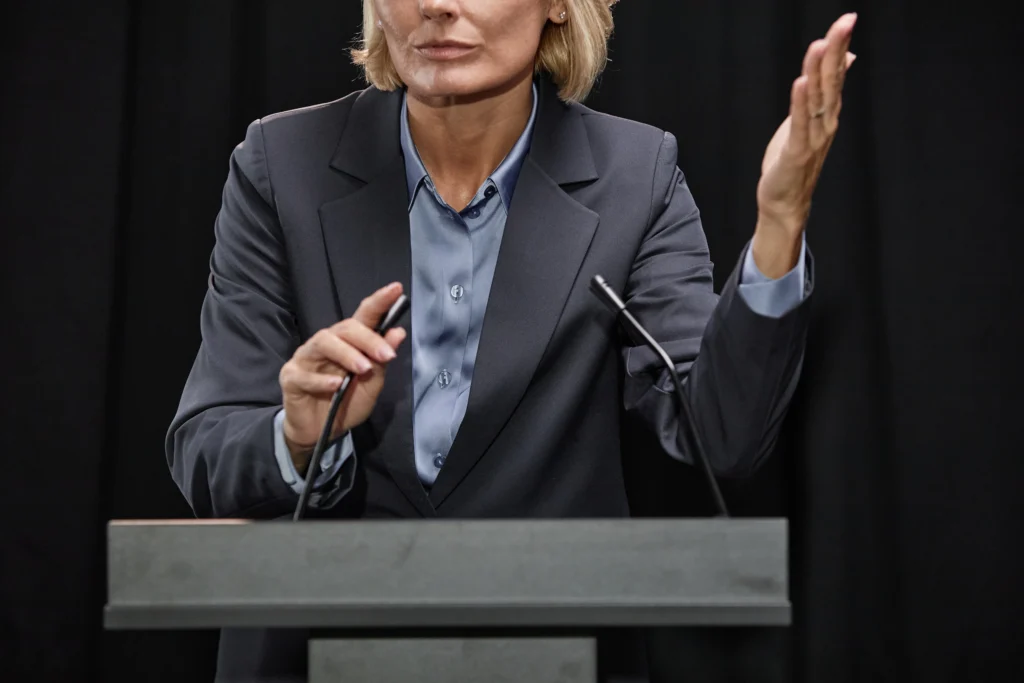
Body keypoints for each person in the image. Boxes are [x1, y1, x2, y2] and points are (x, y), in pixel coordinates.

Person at [167, 1, 856, 680]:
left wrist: (779, 224)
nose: (436, 6)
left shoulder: (636, 176)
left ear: (559, 6)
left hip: (554, 655)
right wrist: (296, 436)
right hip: (309, 656)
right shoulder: (278, 165)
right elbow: (206, 443)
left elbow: (723, 433)